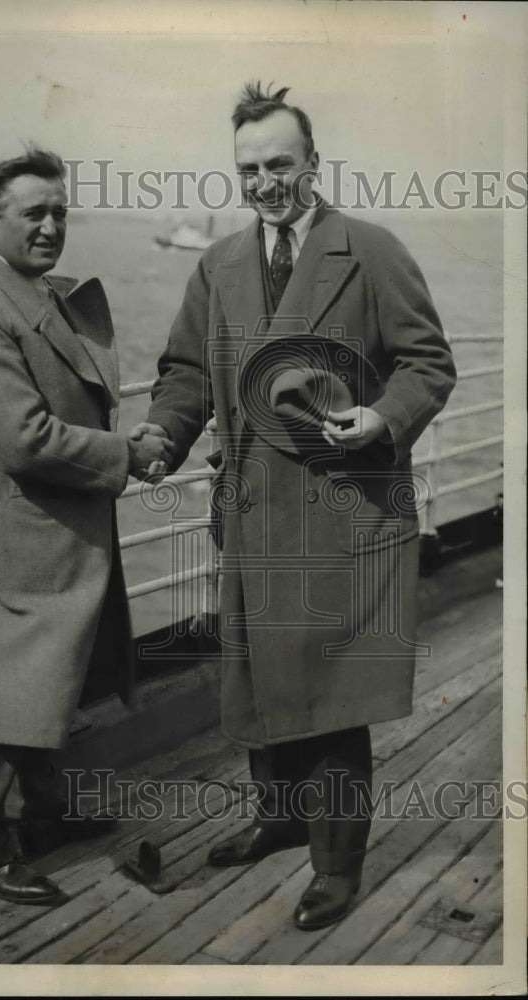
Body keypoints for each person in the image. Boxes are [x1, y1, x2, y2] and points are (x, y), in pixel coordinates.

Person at [132, 83, 457, 930]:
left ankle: (336, 865)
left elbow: (428, 364)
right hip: (250, 511)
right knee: (256, 671)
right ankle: (278, 818)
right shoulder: (221, 263)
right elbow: (187, 374)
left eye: (280, 163)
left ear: (313, 162)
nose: (266, 182)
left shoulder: (371, 252)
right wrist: (163, 437)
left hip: (344, 506)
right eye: (249, 168)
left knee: (331, 692)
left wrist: (382, 417)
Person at [0, 148, 172, 905]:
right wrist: (127, 454)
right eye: (34, 212)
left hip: (35, 523)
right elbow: (24, 437)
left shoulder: (18, 291)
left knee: (38, 680)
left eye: (60, 211)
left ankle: (44, 815)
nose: (51, 225)